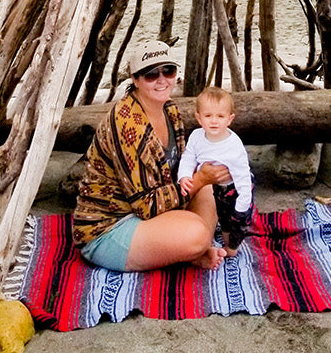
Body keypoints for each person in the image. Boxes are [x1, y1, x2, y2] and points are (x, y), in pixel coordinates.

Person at [72, 41, 230, 272]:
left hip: (150, 210)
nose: (162, 80)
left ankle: (193, 248)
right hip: (110, 226)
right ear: (135, 80)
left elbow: (179, 168)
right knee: (197, 230)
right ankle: (195, 248)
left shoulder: (169, 109)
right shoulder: (126, 125)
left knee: (207, 190)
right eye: (150, 75)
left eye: (168, 71)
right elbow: (144, 207)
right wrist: (200, 179)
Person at [177, 86, 253, 255]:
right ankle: (227, 242)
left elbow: (243, 174)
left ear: (230, 119)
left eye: (220, 116)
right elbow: (189, 157)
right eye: (208, 116)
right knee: (223, 216)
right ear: (199, 117)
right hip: (217, 187)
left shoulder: (233, 145)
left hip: (237, 186)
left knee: (239, 221)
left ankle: (233, 247)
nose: (214, 121)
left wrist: (243, 201)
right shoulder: (197, 137)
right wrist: (184, 176)